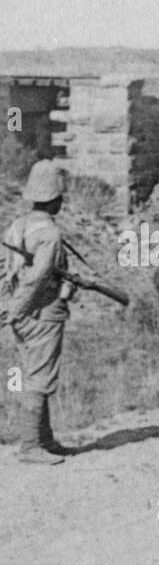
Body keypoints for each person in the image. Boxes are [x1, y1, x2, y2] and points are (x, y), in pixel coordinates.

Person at [1, 160, 74, 464]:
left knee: (35, 371)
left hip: (23, 311)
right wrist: (15, 311)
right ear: (55, 199)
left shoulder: (17, 226)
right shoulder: (50, 235)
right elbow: (37, 277)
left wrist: (8, 305)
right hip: (41, 311)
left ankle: (44, 439)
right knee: (40, 377)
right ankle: (31, 446)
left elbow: (7, 271)